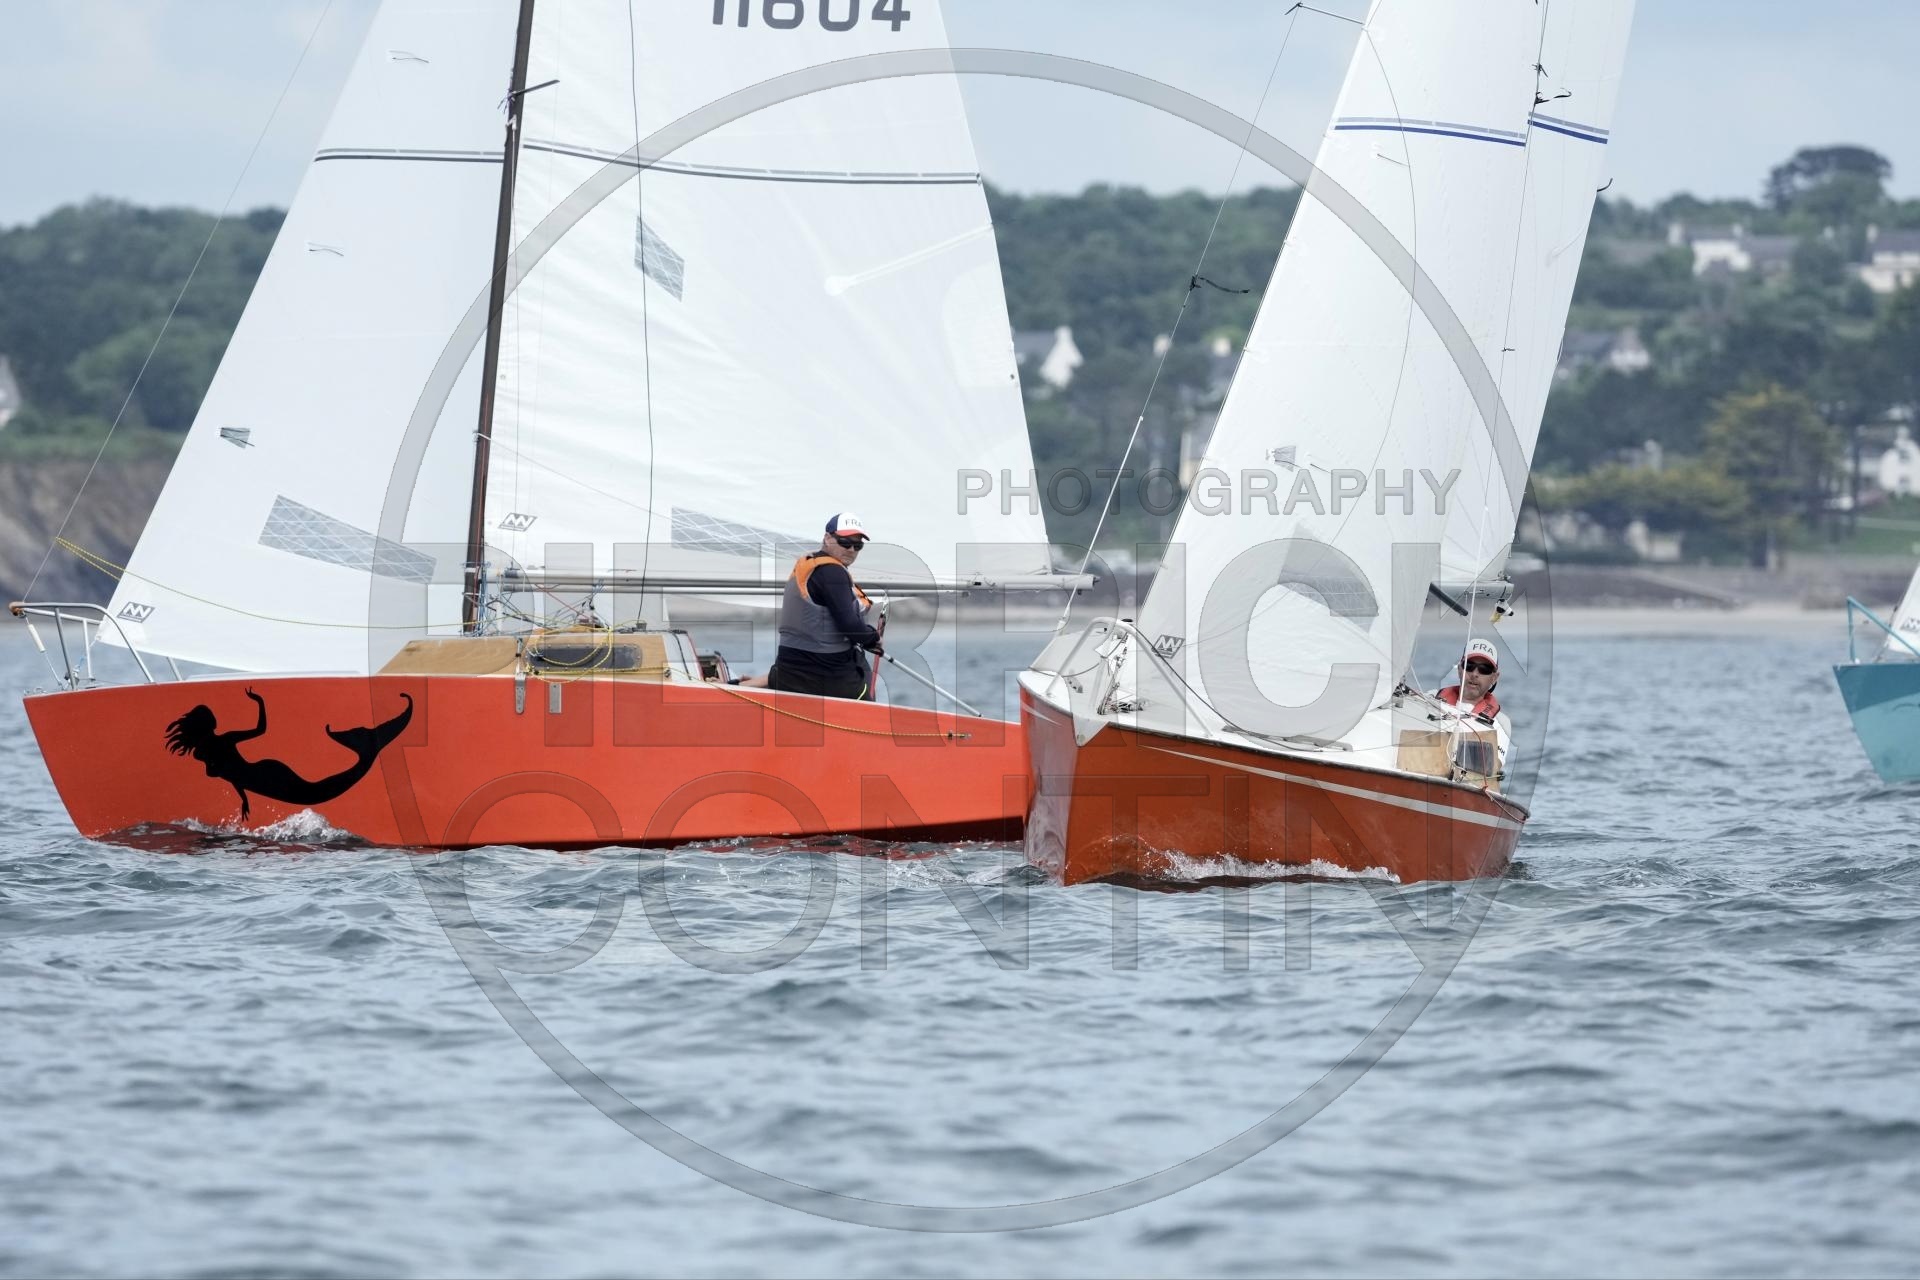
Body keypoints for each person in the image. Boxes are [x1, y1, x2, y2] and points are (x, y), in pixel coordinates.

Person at [766, 513, 883, 700]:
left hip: (788, 673)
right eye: (845, 542)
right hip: (825, 677)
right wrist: (872, 637)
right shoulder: (833, 572)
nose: (851, 549)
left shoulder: (808, 565)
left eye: (858, 545)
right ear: (828, 538)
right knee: (865, 695)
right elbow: (851, 627)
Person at [1434, 637, 1511, 777]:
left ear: (1494, 677)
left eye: (1484, 669)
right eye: (1469, 666)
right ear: (1459, 669)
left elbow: (1492, 769)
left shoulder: (1500, 723)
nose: (1475, 674)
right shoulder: (1431, 699)